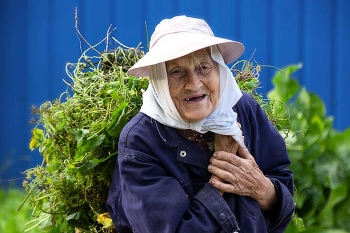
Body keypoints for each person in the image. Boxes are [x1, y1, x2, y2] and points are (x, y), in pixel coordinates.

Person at [107, 15, 294, 233]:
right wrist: (221, 177)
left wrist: (262, 189)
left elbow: (282, 194)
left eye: (204, 67)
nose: (194, 84)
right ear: (159, 80)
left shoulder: (242, 109)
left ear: (219, 69)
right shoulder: (141, 139)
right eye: (176, 72)